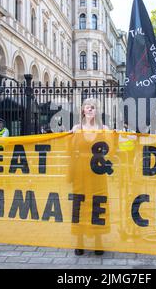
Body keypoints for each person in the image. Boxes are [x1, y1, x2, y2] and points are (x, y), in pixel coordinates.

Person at [70, 98, 110, 256]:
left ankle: (98, 241)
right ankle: (79, 241)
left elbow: (113, 146)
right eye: (88, 107)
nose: (90, 109)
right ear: (83, 110)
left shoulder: (104, 128)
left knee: (98, 204)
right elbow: (70, 149)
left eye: (93, 107)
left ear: (96, 110)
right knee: (80, 205)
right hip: (80, 173)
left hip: (98, 173)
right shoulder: (76, 128)